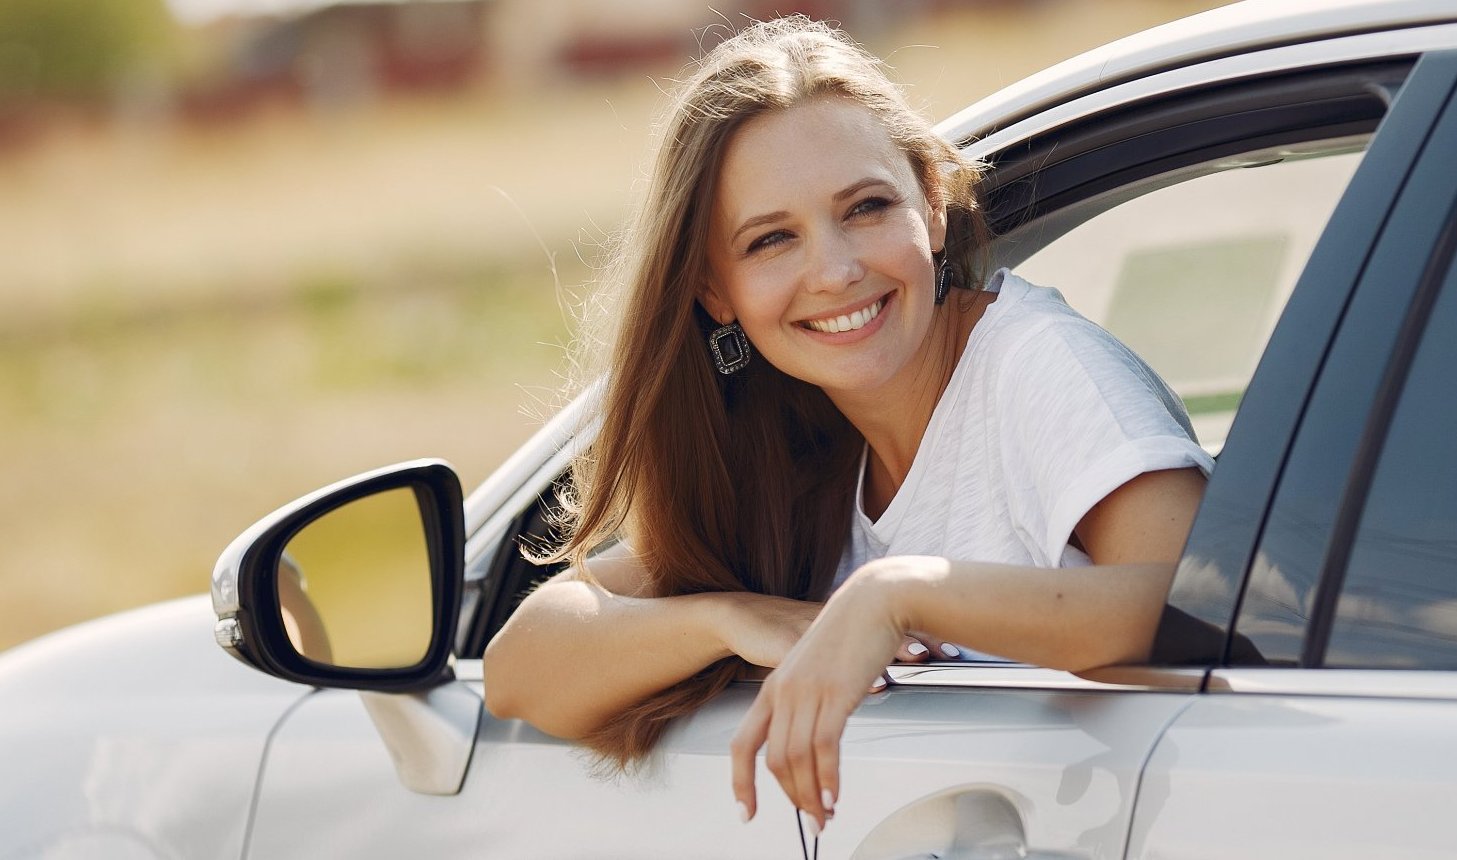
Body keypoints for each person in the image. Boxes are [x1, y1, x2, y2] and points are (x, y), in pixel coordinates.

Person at [481, 16, 1211, 836]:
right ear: (714, 292)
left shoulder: (1039, 367)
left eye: (865, 208)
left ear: (931, 207)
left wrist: (897, 597)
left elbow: (1213, 614)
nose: (833, 270)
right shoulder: (798, 447)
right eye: (771, 241)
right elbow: (518, 669)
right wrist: (733, 616)